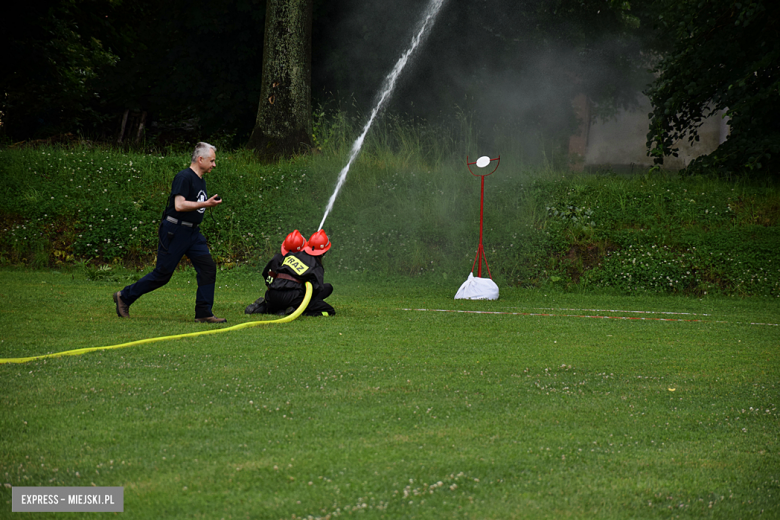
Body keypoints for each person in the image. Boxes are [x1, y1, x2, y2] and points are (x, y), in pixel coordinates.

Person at [112, 142, 226, 323]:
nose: (214, 165)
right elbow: (179, 205)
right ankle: (124, 296)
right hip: (176, 231)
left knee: (207, 267)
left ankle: (204, 312)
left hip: (193, 234)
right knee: (162, 274)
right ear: (200, 159)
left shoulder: (201, 179)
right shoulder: (184, 177)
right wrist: (205, 204)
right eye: (212, 161)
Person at [245, 229, 335, 317]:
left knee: (275, 304)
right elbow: (316, 289)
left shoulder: (289, 256)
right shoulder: (316, 265)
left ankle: (262, 307)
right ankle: (296, 311)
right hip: (292, 297)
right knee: (329, 311)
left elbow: (269, 274)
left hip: (273, 294)